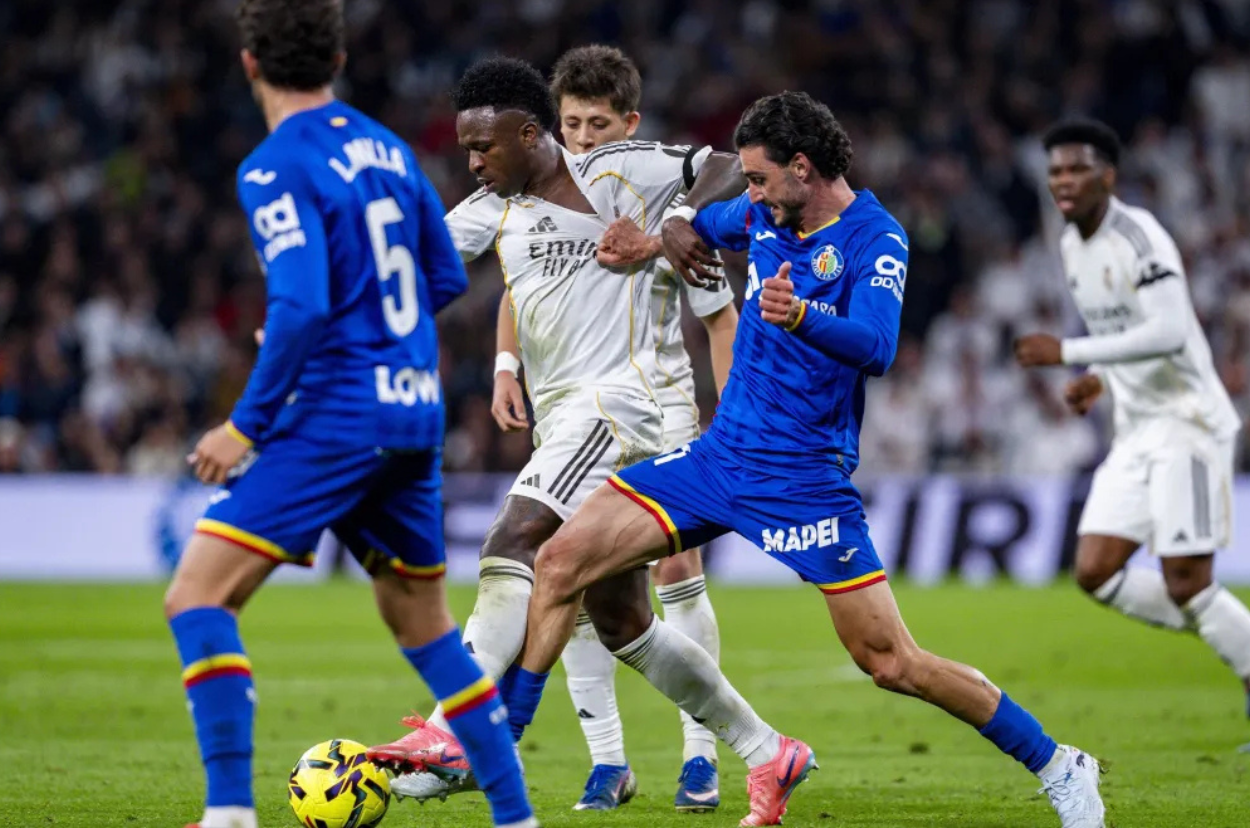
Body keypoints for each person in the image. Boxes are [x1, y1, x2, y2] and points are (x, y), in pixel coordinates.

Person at [506, 91, 1109, 828]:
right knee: (563, 561)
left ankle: (1057, 762)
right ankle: (499, 745)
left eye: (759, 179)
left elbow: (879, 346)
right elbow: (700, 222)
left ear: (802, 167)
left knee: (890, 661)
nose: (749, 193)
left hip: (803, 478)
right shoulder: (763, 212)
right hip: (720, 458)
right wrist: (663, 233)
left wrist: (803, 314)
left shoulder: (875, 238)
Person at [367, 57, 802, 826]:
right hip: (564, 409)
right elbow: (410, 262)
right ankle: (768, 749)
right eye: (466, 150)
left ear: (530, 135)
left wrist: (679, 222)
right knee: (620, 616)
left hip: (623, 407)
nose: (472, 163)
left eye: (484, 147)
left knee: (517, 535)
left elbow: (728, 165)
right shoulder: (492, 209)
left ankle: (453, 728)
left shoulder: (625, 171)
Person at [161, 0, 534, 828]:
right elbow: (442, 276)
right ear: (336, 58)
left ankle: (227, 814)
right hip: (413, 412)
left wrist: (243, 424)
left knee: (197, 597)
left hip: (337, 417)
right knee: (429, 633)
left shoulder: (272, 165)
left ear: (250, 61)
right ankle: (517, 819)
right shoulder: (392, 152)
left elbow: (299, 305)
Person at [488, 44, 738, 812]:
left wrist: (728, 429)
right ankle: (609, 761)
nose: (587, 139)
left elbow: (721, 319)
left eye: (601, 123)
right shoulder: (544, 206)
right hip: (574, 416)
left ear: (631, 123)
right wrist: (504, 364)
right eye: (573, 124)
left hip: (660, 412)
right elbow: (518, 287)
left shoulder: (665, 211)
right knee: (575, 572)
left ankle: (702, 754)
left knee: (676, 573)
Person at [1015, 118, 1250, 729]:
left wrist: (1069, 354)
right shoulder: (1071, 245)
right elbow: (1124, 331)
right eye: (1056, 172)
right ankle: (1223, 626)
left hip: (1187, 421)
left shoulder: (1139, 236)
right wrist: (1103, 378)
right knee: (1095, 570)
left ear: (1108, 176)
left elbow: (1171, 330)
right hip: (1137, 426)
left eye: (1076, 169)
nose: (1063, 182)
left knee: (1188, 581)